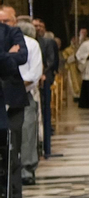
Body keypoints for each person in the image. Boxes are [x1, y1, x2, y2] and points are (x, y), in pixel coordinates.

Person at [15, 18, 41, 186]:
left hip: (23, 93)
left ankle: (27, 169)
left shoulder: (31, 45)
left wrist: (13, 84)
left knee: (27, 131)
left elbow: (34, 74)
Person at [35, 18, 58, 158]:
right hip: (31, 80)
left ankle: (46, 135)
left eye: (40, 26)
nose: (38, 28)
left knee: (44, 107)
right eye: (35, 26)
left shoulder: (48, 42)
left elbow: (51, 60)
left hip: (43, 78)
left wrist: (41, 73)